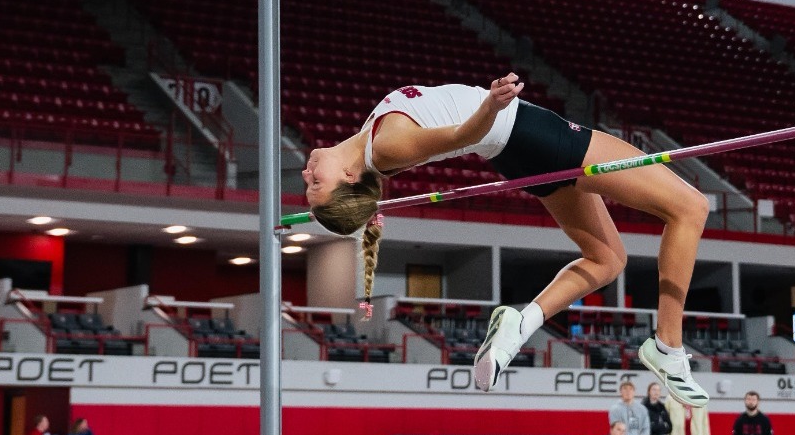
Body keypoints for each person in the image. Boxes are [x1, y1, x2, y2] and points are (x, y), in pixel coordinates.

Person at [303, 74, 710, 408]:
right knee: (690, 208)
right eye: (316, 185)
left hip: (516, 151)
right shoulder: (386, 147)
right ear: (349, 178)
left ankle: (519, 326)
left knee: (607, 259)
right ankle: (668, 347)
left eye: (308, 184)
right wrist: (492, 104)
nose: (307, 175)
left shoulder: (370, 138)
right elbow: (459, 135)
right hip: (530, 135)